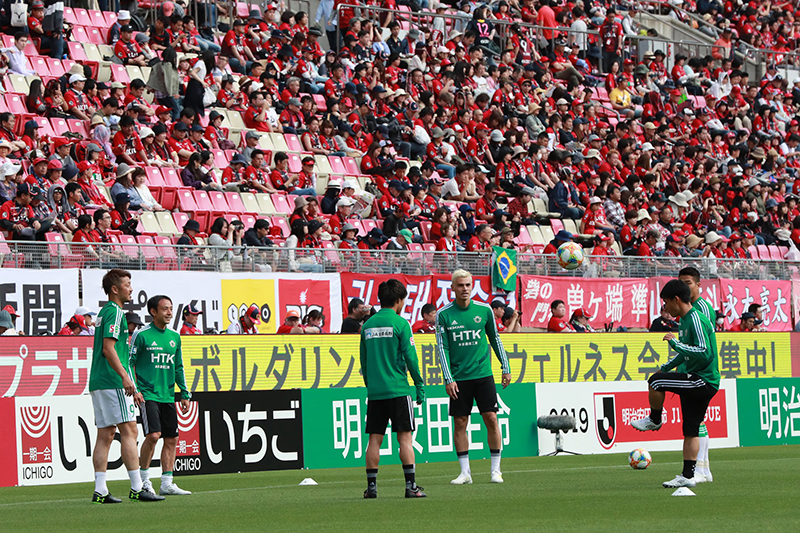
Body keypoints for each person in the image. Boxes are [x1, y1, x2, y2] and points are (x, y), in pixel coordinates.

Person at [631, 279, 719, 489]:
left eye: (666, 302)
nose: (666, 308)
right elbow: (687, 351)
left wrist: (675, 344)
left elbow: (704, 352)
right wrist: (668, 366)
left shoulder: (695, 318)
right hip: (703, 380)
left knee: (655, 381)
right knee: (691, 429)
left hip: (702, 379)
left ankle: (654, 419)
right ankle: (688, 475)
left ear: (676, 300)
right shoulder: (686, 320)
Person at [90, 269, 164, 503]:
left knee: (106, 433)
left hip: (98, 380)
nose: (131, 289)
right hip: (112, 381)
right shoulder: (116, 313)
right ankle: (137, 487)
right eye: (127, 284)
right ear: (115, 289)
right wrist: (125, 377)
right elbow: (109, 349)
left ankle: (100, 489)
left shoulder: (104, 312)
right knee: (129, 431)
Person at [436, 269, 511, 485]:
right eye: (460, 285)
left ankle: (496, 470)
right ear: (452, 288)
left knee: (491, 418)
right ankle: (465, 472)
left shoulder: (485, 310)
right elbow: (443, 348)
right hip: (459, 378)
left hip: (483, 375)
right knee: (460, 422)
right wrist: (448, 378)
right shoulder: (444, 314)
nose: (465, 289)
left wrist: (505, 366)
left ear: (472, 286)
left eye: (468, 285)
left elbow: (495, 339)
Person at [360, 278, 426, 499]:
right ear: (398, 300)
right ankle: (410, 487)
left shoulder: (367, 326)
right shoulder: (401, 324)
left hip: (376, 393)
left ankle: (371, 488)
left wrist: (372, 386)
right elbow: (411, 358)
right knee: (404, 439)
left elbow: (364, 361)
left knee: (374, 440)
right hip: (398, 390)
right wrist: (419, 384)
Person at [130, 295, 192, 497]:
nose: (169, 313)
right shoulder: (142, 335)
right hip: (147, 394)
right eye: (165, 309)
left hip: (167, 395)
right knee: (153, 435)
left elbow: (178, 366)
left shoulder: (175, 336)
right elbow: (129, 363)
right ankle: (144, 481)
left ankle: (167, 482)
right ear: (153, 312)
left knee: (172, 438)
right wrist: (135, 388)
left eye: (171, 309)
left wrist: (183, 392)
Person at [677, 266, 716, 483]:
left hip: (699, 373)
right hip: (692, 370)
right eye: (681, 282)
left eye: (688, 282)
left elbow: (702, 345)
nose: (684, 286)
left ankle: (700, 470)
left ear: (699, 285)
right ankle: (704, 468)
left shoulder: (700, 308)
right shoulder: (688, 309)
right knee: (698, 420)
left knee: (695, 421)